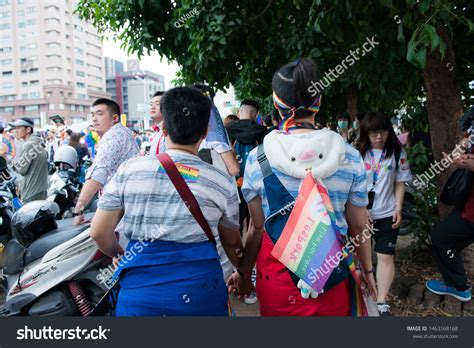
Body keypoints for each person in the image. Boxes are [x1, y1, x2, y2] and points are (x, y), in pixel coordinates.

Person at [230, 58, 377, 316]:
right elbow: (358, 226)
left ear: (276, 104)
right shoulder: (350, 155)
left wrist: (244, 273)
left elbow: (257, 227)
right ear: (318, 101)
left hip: (278, 280)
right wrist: (367, 271)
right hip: (332, 277)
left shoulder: (258, 157)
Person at [91, 87, 244, 316]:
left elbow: (99, 232)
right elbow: (232, 244)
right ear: (205, 132)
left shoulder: (129, 170)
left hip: (140, 296)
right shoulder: (221, 181)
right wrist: (242, 272)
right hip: (201, 293)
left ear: (164, 127)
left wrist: (120, 253)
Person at [355, 111, 412, 316]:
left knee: (386, 256)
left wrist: (398, 208)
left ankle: (381, 302)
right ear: (366, 133)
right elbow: (351, 185)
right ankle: (362, 295)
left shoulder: (398, 153)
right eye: (374, 133)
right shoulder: (356, 154)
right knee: (362, 256)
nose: (379, 137)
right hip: (361, 215)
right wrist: (361, 210)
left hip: (388, 213)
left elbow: (399, 182)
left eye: (383, 131)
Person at [426, 109, 474, 303]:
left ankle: (459, 287)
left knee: (441, 238)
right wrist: (459, 154)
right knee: (446, 241)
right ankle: (458, 284)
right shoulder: (471, 131)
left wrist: (468, 164)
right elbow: (463, 149)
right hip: (468, 205)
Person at [74, 98, 140, 224]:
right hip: (127, 205)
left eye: (99, 114)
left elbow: (98, 174)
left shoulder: (113, 137)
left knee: (98, 234)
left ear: (114, 118)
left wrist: (78, 209)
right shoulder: (122, 132)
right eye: (92, 115)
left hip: (122, 206)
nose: (94, 119)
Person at [226, 99, 269, 234]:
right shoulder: (264, 132)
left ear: (239, 113)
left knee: (233, 224)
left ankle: (238, 250)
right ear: (256, 115)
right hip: (258, 185)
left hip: (231, 185)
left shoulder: (226, 132)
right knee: (257, 225)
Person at [9, 118, 48, 203]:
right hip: (40, 190)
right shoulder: (37, 142)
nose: (16, 131)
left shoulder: (29, 145)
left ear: (28, 129)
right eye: (15, 128)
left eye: (19, 128)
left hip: (31, 192)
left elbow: (22, 170)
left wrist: (11, 162)